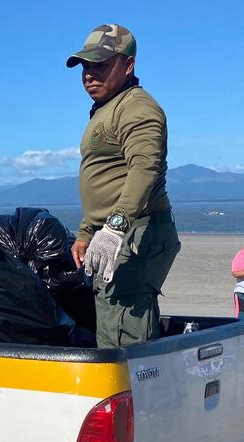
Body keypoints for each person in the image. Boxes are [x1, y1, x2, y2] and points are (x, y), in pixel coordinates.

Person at [66, 24, 181, 348]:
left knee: (123, 342)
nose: (89, 75)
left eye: (100, 65)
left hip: (136, 234)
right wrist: (88, 232)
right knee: (113, 319)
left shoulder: (137, 107)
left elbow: (144, 168)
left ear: (128, 65)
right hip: (121, 232)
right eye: (85, 67)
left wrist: (114, 228)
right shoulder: (107, 109)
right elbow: (106, 176)